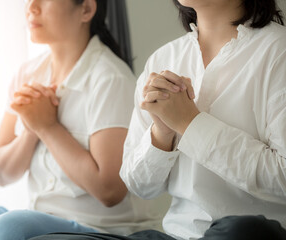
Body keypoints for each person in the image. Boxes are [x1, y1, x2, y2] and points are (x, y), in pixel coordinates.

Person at [29, 0, 286, 240]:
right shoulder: (164, 58)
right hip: (175, 234)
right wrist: (162, 134)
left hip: (251, 232)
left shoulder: (278, 51)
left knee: (242, 229)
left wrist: (189, 123)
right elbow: (138, 184)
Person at [0, 0, 166, 240]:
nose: (31, 6)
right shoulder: (28, 73)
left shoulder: (110, 79)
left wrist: (48, 127)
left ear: (86, 10)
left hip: (102, 231)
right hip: (35, 223)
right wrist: (32, 129)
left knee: (7, 228)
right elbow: (0, 172)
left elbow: (109, 191)